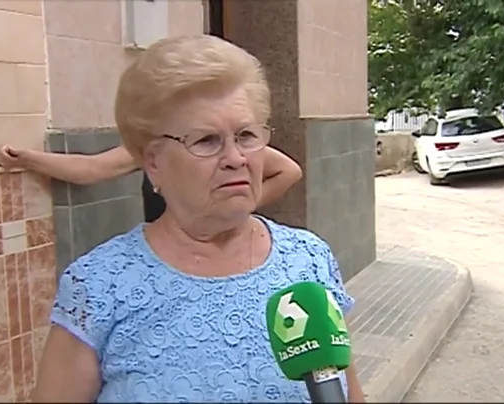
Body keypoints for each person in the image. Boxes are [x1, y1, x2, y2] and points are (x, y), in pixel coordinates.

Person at [33, 35, 364, 403]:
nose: (236, 158)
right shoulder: (98, 286)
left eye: (247, 135)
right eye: (207, 141)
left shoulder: (309, 260)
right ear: (154, 161)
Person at [0, 139, 301, 223]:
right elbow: (91, 169)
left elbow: (290, 170)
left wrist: (234, 208)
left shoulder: (226, 142)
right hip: (168, 251)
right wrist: (27, 158)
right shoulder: (153, 148)